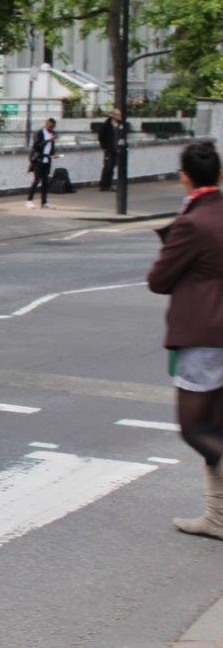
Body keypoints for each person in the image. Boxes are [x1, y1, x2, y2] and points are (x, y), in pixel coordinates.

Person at [148, 141, 223, 541]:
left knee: (194, 428)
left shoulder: (192, 223)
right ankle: (217, 517)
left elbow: (158, 280)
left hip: (206, 334)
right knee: (218, 427)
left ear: (184, 176)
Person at [26, 118, 58, 210]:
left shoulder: (52, 133)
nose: (51, 128)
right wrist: (48, 140)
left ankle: (44, 203)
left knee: (45, 181)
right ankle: (29, 201)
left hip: (47, 159)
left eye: (53, 127)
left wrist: (53, 154)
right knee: (36, 180)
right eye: (50, 126)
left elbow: (51, 147)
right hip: (38, 159)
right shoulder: (39, 133)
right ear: (46, 124)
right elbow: (36, 146)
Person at [97, 108, 123, 192]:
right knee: (107, 167)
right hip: (109, 149)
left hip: (116, 149)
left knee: (112, 167)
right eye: (117, 115)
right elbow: (101, 136)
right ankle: (103, 185)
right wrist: (104, 147)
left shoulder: (120, 125)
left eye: (120, 114)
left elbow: (122, 136)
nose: (119, 116)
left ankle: (109, 184)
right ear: (113, 115)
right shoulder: (107, 125)